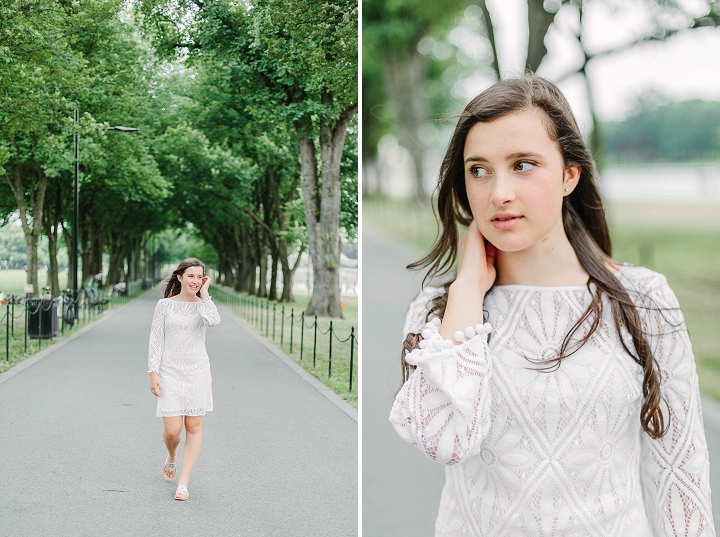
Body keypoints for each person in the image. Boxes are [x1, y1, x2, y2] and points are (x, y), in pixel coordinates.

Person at [389, 75, 714, 536]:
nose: (498, 192)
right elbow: (444, 441)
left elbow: (680, 475)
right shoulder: (439, 313)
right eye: (478, 170)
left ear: (569, 175)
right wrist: (466, 293)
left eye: (522, 165)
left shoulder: (643, 298)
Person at [148, 258, 220, 501]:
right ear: (179, 277)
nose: (196, 281)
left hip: (197, 372)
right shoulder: (164, 306)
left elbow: (213, 321)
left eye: (200, 277)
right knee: (173, 432)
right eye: (191, 276)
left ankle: (184, 483)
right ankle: (171, 455)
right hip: (169, 373)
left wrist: (205, 295)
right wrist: (153, 373)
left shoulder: (204, 304)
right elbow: (156, 339)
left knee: (193, 426)